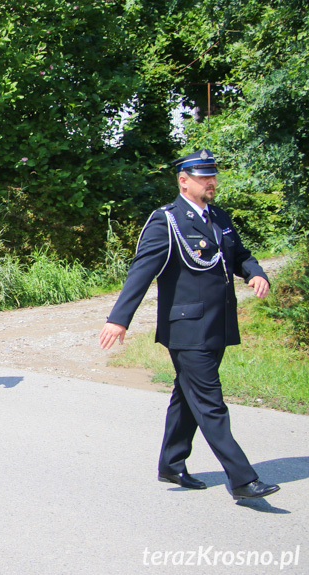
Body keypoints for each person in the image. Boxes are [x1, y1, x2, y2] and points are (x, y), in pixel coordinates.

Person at [99, 149, 280, 501]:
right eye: (203, 177)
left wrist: (255, 273)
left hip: (218, 325)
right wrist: (119, 319)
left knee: (187, 397)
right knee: (211, 403)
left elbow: (239, 254)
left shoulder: (219, 217)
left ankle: (171, 463)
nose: (211, 182)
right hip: (187, 329)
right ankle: (243, 480)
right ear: (184, 181)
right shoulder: (167, 220)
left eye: (213, 176)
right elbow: (142, 271)